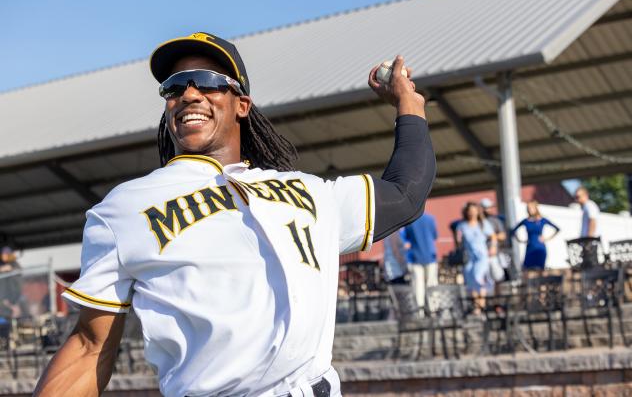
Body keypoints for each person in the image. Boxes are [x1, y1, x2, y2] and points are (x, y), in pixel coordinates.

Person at [35, 32, 436, 396]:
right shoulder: (124, 208)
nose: (189, 94)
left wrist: (409, 104)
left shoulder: (307, 191)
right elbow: (89, 347)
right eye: (174, 87)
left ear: (242, 104)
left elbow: (405, 194)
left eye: (207, 81)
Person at [456, 202, 496, 314]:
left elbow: (493, 236)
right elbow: (459, 241)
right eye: (470, 210)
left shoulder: (483, 223)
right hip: (469, 257)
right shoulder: (462, 226)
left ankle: (481, 305)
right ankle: (476, 305)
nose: (472, 213)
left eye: (474, 210)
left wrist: (493, 247)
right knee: (471, 280)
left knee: (478, 277)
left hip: (482, 256)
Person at [510, 201, 560, 271]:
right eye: (528, 208)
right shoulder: (526, 221)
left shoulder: (542, 220)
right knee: (526, 270)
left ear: (536, 208)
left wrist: (546, 238)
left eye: (531, 208)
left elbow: (557, 229)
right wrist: (520, 240)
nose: (529, 210)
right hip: (530, 248)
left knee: (540, 270)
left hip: (540, 248)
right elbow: (512, 231)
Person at [403, 213, 438, 308]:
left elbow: (406, 238)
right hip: (430, 256)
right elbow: (435, 236)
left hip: (415, 256)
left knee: (418, 285)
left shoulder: (410, 221)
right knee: (432, 284)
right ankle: (433, 309)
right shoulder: (431, 218)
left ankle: (419, 311)